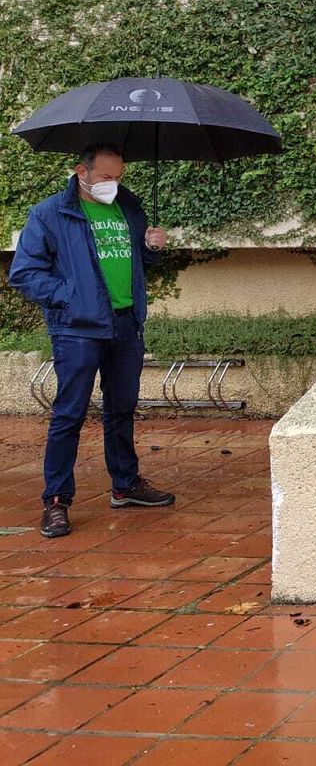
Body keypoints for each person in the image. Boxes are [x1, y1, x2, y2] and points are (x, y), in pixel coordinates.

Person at [9, 146, 175, 540]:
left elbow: (133, 260)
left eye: (118, 177)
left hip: (126, 323)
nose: (113, 184)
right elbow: (24, 272)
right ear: (81, 172)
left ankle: (125, 485)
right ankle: (56, 500)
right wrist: (71, 295)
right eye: (105, 177)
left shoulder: (128, 208)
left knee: (122, 409)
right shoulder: (50, 213)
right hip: (77, 329)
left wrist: (151, 248)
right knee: (69, 414)